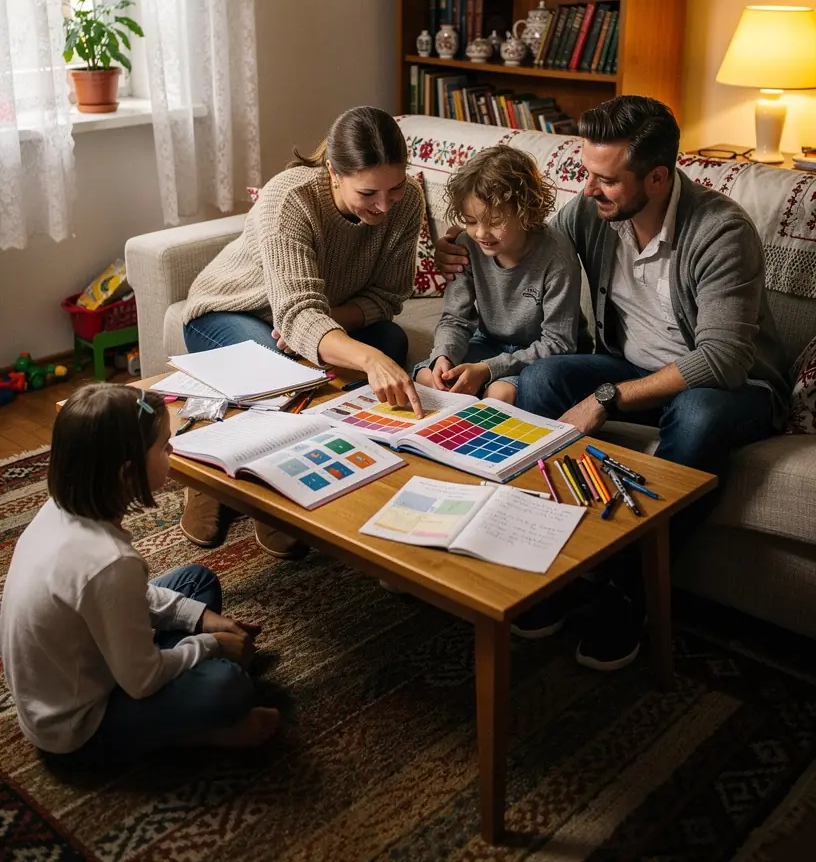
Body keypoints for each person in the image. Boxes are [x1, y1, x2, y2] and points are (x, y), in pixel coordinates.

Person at [435, 96, 788, 669]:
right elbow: (528, 244)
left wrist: (608, 398)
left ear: (657, 177)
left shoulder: (721, 231)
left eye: (606, 179)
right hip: (630, 365)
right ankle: (558, 561)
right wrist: (460, 245)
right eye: (587, 172)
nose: (588, 189)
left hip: (733, 387)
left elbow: (722, 359)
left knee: (697, 414)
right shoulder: (592, 214)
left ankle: (628, 591)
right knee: (543, 378)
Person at [181, 105, 425, 553]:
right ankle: (220, 481)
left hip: (311, 314)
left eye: (394, 188)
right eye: (368, 192)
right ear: (333, 171)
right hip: (230, 310)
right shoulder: (290, 197)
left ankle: (314, 459)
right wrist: (353, 351)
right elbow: (296, 316)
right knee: (285, 374)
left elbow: (388, 297)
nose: (384, 205)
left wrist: (322, 326)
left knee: (393, 339)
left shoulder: (406, 201)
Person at [0, 383, 279, 762]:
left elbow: (123, 596)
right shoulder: (108, 562)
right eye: (164, 446)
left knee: (197, 582)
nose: (172, 450)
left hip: (76, 673)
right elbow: (142, 680)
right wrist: (211, 645)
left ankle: (178, 677)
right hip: (77, 726)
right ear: (128, 473)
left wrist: (202, 619)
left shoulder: (62, 507)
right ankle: (192, 734)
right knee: (230, 686)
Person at [415, 146, 587, 403]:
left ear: (526, 211)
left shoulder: (558, 256)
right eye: (470, 221)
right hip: (489, 342)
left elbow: (559, 343)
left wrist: (488, 369)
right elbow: (455, 319)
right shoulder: (465, 246)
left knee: (499, 394)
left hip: (542, 354)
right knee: (428, 377)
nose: (481, 233)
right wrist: (444, 356)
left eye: (495, 221)